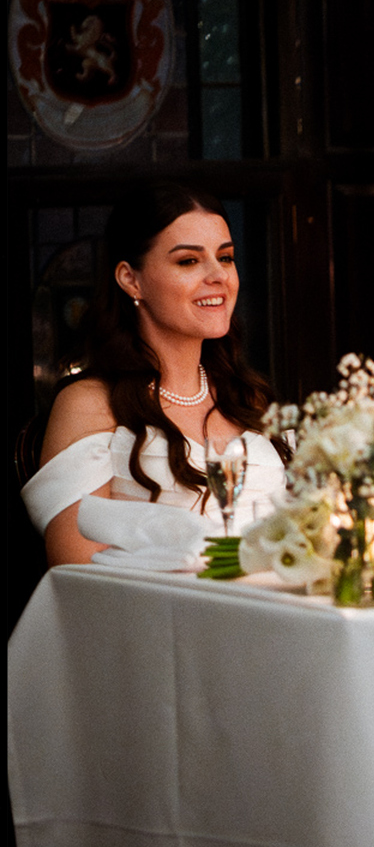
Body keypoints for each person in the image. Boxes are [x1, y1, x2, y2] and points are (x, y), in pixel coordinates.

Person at [23, 182, 284, 567]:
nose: (218, 276)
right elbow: (76, 564)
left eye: (226, 258)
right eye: (188, 261)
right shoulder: (90, 403)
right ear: (131, 279)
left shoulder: (247, 398)